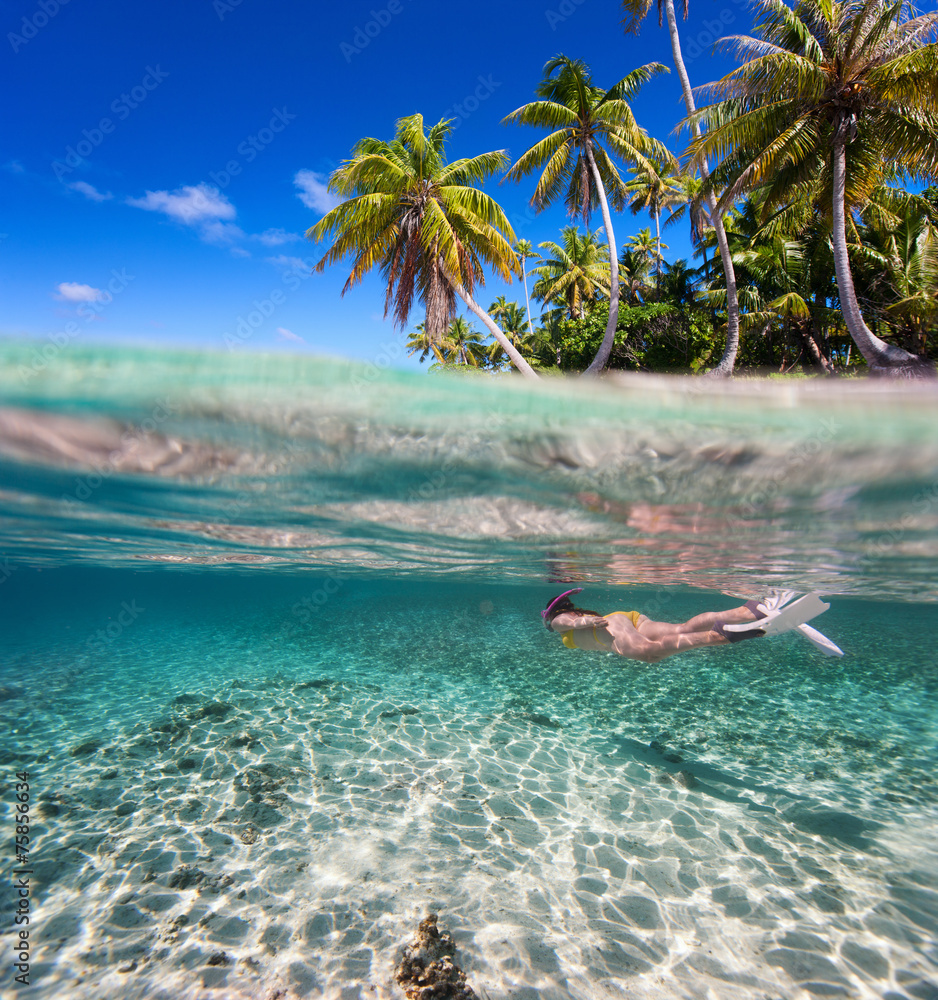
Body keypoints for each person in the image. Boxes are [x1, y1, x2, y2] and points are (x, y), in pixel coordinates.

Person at [541, 588, 835, 663]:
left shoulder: (557, 622)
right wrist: (585, 619)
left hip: (608, 627)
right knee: (682, 628)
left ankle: (722, 636)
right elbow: (572, 618)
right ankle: (749, 610)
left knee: (649, 653)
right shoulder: (569, 616)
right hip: (625, 618)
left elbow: (565, 622)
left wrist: (584, 621)